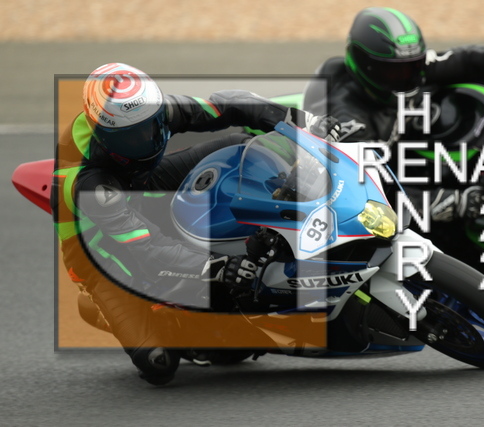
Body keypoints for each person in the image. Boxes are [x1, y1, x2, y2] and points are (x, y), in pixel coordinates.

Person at [53, 62, 340, 385]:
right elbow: (147, 247)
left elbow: (227, 105)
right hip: (100, 254)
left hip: (139, 178)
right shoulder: (90, 183)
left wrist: (303, 123)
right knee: (158, 363)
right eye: (133, 137)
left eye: (152, 126)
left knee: (236, 144)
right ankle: (161, 320)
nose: (148, 139)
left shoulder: (151, 111)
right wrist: (217, 266)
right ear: (104, 136)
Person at [303, 7, 484, 229]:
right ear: (366, 64)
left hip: (398, 145)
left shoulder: (401, 69)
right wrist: (447, 201)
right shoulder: (347, 120)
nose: (408, 78)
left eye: (413, 67)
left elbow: (463, 60)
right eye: (396, 72)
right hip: (348, 187)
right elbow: (366, 191)